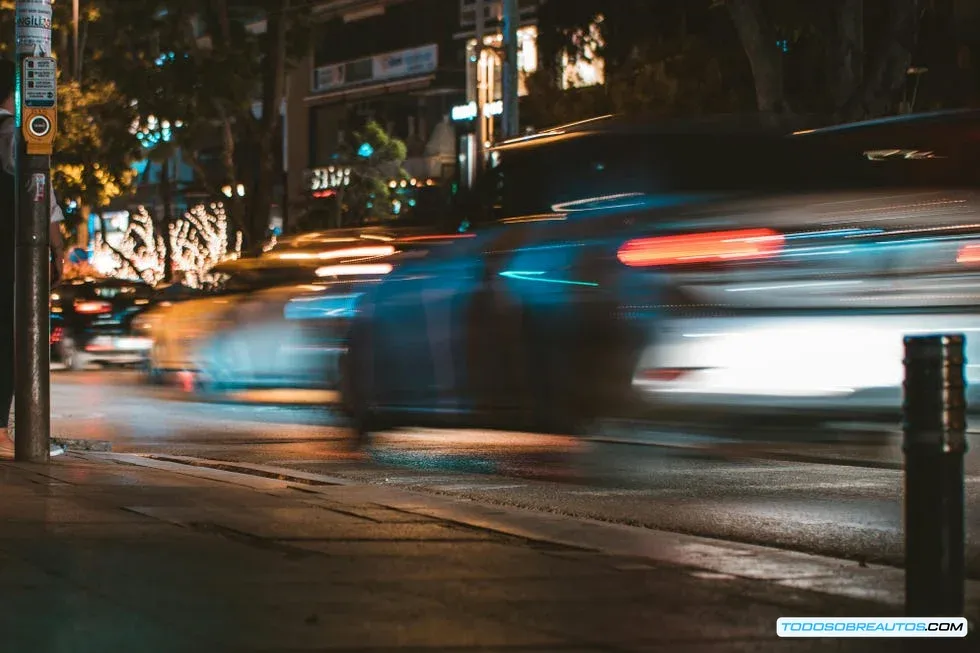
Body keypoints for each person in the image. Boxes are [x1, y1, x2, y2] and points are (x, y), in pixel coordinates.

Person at [0, 58, 65, 439]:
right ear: (15, 90)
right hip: (9, 255)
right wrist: (56, 250)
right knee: (9, 337)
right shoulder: (14, 136)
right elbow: (42, 196)